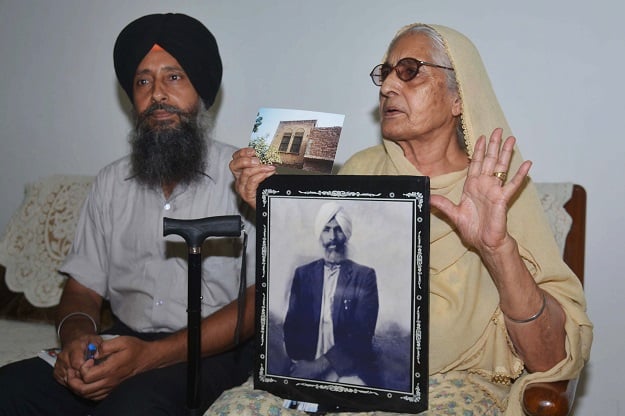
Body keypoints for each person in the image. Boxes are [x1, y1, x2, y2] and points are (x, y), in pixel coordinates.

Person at [214, 23, 592, 415]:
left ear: (458, 96)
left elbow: (549, 357)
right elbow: (324, 271)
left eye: (410, 71)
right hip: (334, 379)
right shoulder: (362, 168)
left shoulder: (498, 185)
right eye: (385, 73)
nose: (387, 86)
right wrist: (270, 205)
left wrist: (496, 249)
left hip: (450, 384)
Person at [0, 13, 256, 416]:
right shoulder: (110, 183)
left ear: (202, 92)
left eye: (174, 77)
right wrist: (78, 343)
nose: (157, 94)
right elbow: (82, 290)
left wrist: (149, 356)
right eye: (143, 80)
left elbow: (261, 302)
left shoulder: (244, 179)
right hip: (120, 341)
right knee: (8, 390)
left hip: (211, 353)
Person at [281, 202, 379, 386]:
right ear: (319, 234)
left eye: (338, 230)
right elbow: (291, 326)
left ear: (346, 234)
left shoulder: (364, 276)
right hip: (306, 367)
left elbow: (361, 335)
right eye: (326, 229)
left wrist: (319, 366)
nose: (332, 237)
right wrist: (302, 364)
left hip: (348, 370)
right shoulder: (303, 274)